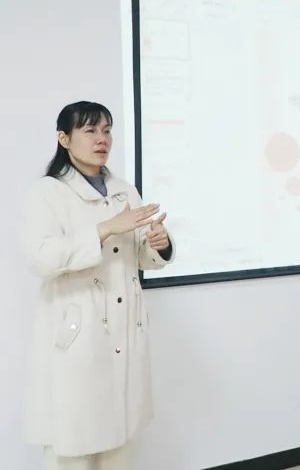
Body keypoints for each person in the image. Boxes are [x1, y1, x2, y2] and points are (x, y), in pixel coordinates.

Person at [21, 101, 174, 470]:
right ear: (64, 138)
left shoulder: (124, 190)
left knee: (119, 440)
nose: (102, 139)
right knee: (73, 442)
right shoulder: (47, 192)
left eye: (107, 131)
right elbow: (42, 258)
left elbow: (139, 256)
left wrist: (159, 244)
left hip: (124, 329)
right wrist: (105, 228)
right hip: (78, 333)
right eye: (90, 131)